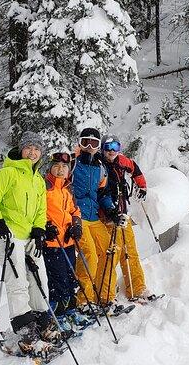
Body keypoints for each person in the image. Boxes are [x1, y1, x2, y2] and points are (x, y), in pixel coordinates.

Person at [0, 131, 59, 352]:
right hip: (7, 237)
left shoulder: (37, 179)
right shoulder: (7, 173)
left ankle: (42, 324)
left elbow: (41, 210)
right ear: (21, 149)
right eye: (29, 148)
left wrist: (39, 228)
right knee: (17, 284)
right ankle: (27, 335)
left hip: (28, 237)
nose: (32, 152)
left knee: (38, 281)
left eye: (37, 149)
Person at [42, 152, 95, 333]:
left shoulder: (68, 188)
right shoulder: (44, 187)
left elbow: (75, 210)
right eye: (56, 166)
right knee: (58, 280)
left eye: (64, 167)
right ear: (50, 167)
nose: (60, 169)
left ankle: (71, 310)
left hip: (68, 241)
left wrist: (77, 225)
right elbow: (36, 211)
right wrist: (45, 226)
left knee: (71, 277)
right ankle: (58, 315)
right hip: (52, 243)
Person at [71, 128, 122, 312]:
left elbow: (103, 193)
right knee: (90, 254)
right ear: (80, 143)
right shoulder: (72, 164)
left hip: (93, 217)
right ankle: (84, 300)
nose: (90, 147)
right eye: (86, 142)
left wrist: (111, 209)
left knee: (112, 250)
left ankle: (105, 296)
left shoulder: (100, 168)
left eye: (94, 143)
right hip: (77, 216)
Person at [101, 134, 151, 302]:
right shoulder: (99, 165)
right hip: (108, 217)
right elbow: (101, 193)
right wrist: (110, 212)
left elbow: (135, 169)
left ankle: (137, 288)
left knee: (131, 252)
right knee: (112, 254)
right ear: (102, 149)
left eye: (115, 147)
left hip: (123, 213)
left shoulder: (121, 161)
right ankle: (107, 293)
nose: (112, 151)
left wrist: (142, 186)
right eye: (108, 147)